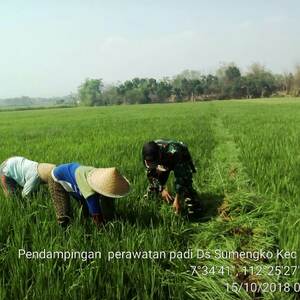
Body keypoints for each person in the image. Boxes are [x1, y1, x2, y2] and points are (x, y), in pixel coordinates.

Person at [48, 163, 130, 227]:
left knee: (86, 209)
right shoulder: (89, 189)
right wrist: (102, 228)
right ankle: (64, 231)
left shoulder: (100, 175)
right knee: (64, 213)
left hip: (74, 174)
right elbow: (95, 211)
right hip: (56, 179)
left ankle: (86, 220)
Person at [142, 139, 200, 216]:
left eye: (155, 163)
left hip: (180, 157)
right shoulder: (147, 154)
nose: (152, 165)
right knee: (154, 186)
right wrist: (161, 189)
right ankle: (148, 203)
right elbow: (151, 175)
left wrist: (177, 199)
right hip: (163, 160)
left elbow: (181, 178)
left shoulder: (175, 152)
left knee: (186, 186)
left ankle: (196, 208)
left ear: (159, 154)